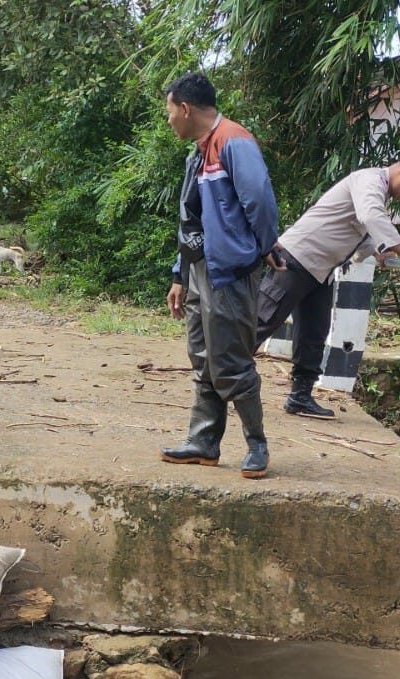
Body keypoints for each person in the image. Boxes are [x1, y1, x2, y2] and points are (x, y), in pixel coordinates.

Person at [255, 151, 400, 419]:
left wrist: (378, 250)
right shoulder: (369, 181)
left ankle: (300, 397)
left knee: (314, 333)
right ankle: (217, 379)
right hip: (296, 260)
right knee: (263, 321)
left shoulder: (377, 190)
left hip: (321, 270)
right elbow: (370, 216)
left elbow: (357, 230)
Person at [160, 72, 280, 479]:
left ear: (186, 108)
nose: (169, 120)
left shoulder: (233, 141)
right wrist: (180, 274)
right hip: (198, 270)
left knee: (230, 362)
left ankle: (257, 445)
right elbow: (190, 219)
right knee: (203, 358)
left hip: (227, 272)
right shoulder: (198, 152)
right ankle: (204, 441)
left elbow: (259, 199)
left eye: (169, 111)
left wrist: (265, 247)